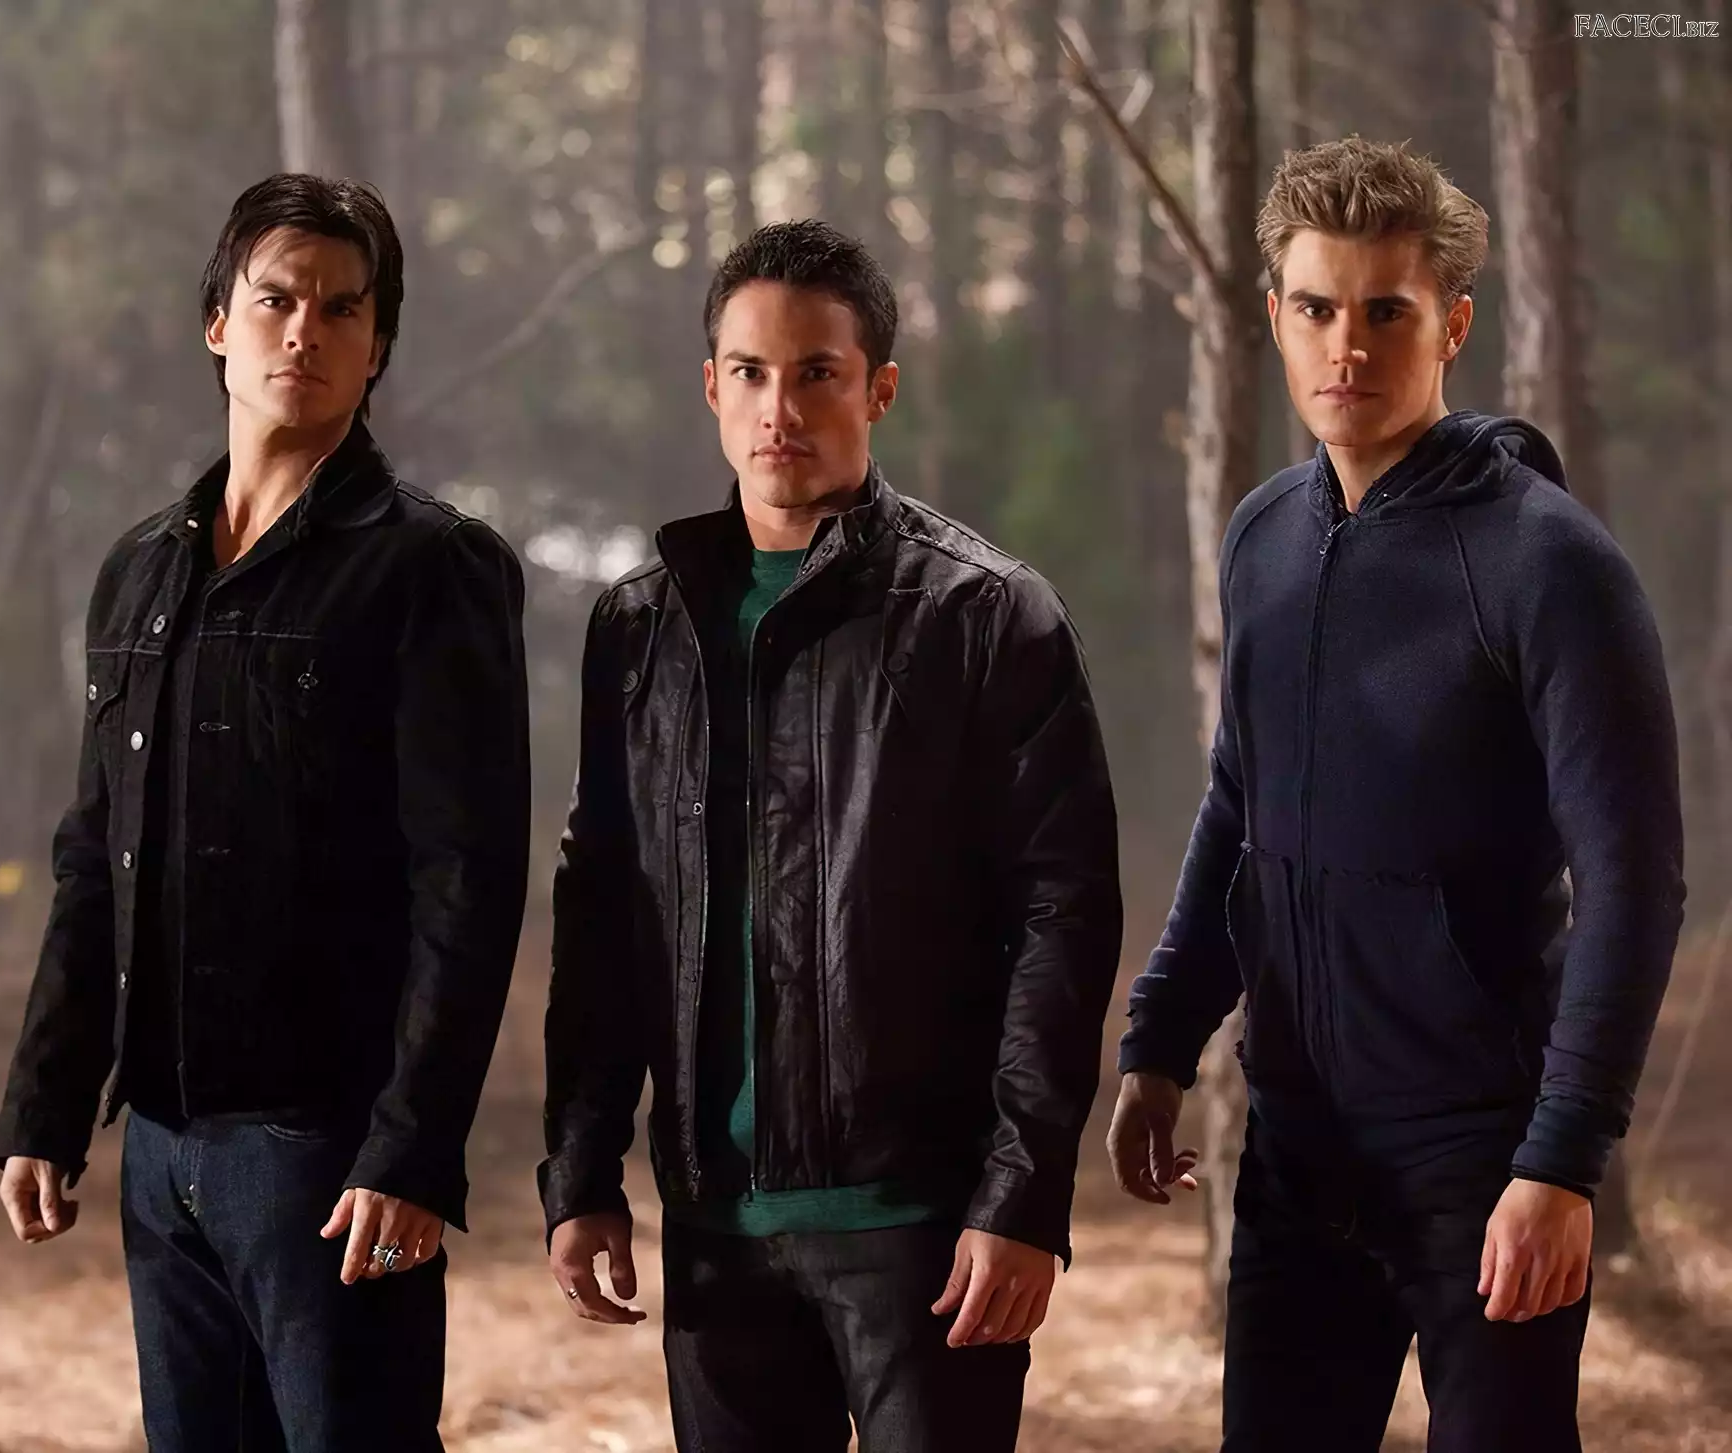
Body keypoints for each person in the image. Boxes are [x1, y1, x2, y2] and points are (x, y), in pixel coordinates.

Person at [1108, 137, 1685, 1453]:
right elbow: (1239, 803)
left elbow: (1634, 880)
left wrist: (1561, 1161)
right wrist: (1161, 1036)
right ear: (1276, 315)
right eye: (1317, 309)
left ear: (1453, 325)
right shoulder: (1264, 535)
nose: (1347, 348)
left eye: (1386, 312)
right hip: (1298, 1151)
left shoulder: (1549, 565)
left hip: (1481, 1153)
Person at [538, 219, 1123, 1452]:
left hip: (921, 1217)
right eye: (751, 373)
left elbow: (1061, 919)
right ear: (711, 386)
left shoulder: (984, 615)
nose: (780, 408)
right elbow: (606, 912)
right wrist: (580, 1172)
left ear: (879, 389)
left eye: (817, 373)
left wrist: (1022, 1195)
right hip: (715, 1222)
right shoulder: (642, 628)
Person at [0, 173, 530, 1452]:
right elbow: (93, 855)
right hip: (159, 1144)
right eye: (277, 300)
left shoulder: (430, 564)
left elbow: (469, 880)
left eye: (344, 309)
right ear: (217, 322)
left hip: (327, 1154)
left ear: (377, 345)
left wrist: (413, 1148)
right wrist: (46, 1103)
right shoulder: (141, 570)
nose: (306, 332)